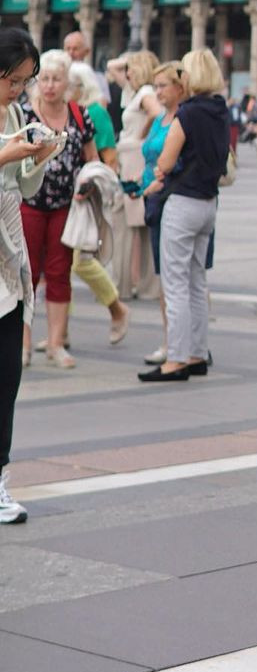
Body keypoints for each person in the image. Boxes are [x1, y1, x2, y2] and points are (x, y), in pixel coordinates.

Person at [139, 49, 230, 382]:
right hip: (209, 203)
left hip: (182, 201)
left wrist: (161, 169)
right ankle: (197, 353)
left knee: (175, 284)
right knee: (196, 282)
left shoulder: (188, 114)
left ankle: (176, 359)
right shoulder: (221, 110)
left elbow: (165, 161)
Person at [0, 30, 60, 524]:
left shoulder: (18, 116)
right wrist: (7, 155)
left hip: (9, 254)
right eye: (12, 80)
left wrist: (38, 158)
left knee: (7, 374)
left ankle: (0, 481)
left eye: (25, 81)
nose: (18, 90)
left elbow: (26, 185)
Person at [18, 51, 100, 368]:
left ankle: (55, 344)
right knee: (28, 275)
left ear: (68, 82)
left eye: (56, 79)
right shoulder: (24, 114)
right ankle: (23, 343)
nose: (50, 86)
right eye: (44, 79)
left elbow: (92, 160)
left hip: (67, 205)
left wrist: (89, 184)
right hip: (30, 203)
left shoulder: (80, 115)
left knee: (59, 273)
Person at [64, 62, 129, 347]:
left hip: (87, 196)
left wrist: (98, 189)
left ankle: (116, 307)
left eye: (67, 84)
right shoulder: (57, 110)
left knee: (81, 262)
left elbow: (109, 158)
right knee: (61, 265)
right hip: (61, 196)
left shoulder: (95, 113)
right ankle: (60, 331)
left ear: (81, 87)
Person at [139, 62, 185, 366]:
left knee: (176, 278)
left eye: (162, 86)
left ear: (179, 88)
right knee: (162, 277)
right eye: (155, 86)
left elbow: (182, 162)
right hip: (152, 200)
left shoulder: (181, 120)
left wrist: (158, 183)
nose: (157, 92)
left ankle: (178, 343)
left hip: (169, 198)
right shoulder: (161, 118)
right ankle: (170, 338)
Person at [114, 50, 162, 300]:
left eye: (131, 67)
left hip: (134, 155)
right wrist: (128, 60)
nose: (127, 72)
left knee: (133, 219)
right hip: (130, 155)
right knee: (136, 221)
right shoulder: (133, 92)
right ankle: (140, 282)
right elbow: (113, 67)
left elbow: (155, 113)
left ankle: (139, 282)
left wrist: (141, 135)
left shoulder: (145, 93)